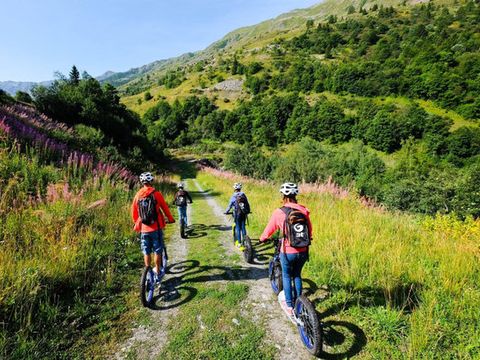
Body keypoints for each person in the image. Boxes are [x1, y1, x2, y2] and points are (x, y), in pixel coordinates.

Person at [260, 182, 312, 316]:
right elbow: (309, 231)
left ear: (283, 196)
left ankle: (290, 306)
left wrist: (262, 238)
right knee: (297, 275)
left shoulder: (279, 212)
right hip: (303, 250)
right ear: (295, 195)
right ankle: (300, 304)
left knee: (287, 276)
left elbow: (269, 230)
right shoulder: (303, 210)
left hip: (288, 251)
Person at [132, 172, 175, 282]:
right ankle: (158, 271)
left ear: (142, 182)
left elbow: (135, 213)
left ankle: (148, 272)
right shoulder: (156, 194)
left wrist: (138, 224)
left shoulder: (137, 195)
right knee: (157, 250)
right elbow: (165, 208)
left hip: (144, 229)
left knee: (146, 251)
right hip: (156, 227)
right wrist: (170, 218)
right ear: (151, 181)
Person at [224, 182, 251, 251]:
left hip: (237, 214)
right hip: (244, 213)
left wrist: (226, 212)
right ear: (240, 188)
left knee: (238, 228)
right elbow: (247, 203)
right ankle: (245, 241)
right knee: (243, 227)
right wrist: (247, 211)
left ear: (234, 189)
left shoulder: (233, 196)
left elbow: (230, 206)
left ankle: (239, 243)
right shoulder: (243, 195)